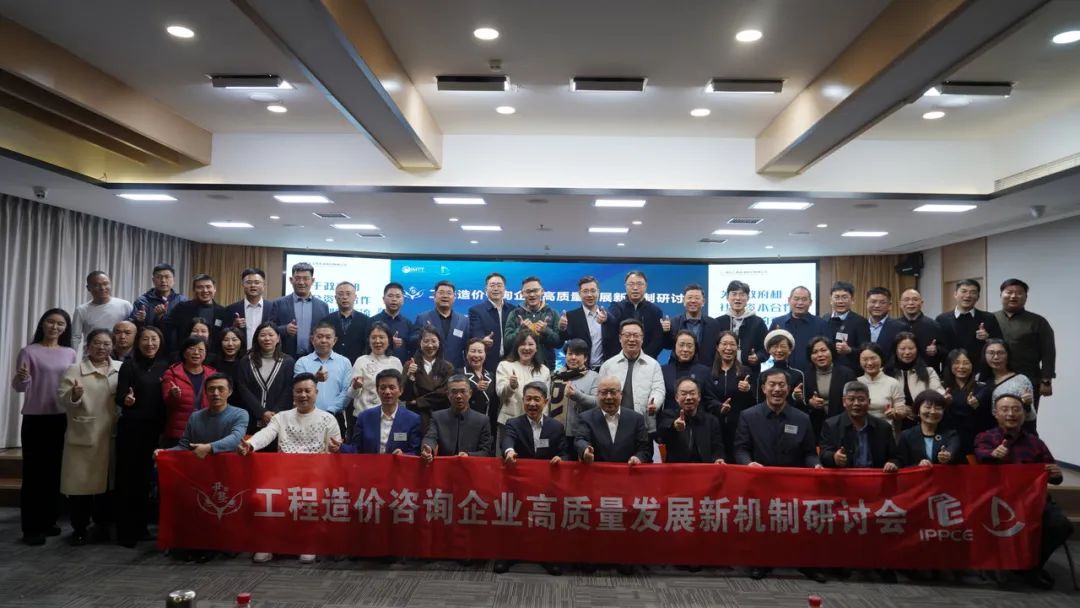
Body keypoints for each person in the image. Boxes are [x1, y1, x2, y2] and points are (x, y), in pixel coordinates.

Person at [239, 373, 343, 565]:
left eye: (307, 391)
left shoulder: (328, 419)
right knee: (261, 499)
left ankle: (307, 543)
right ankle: (267, 543)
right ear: (292, 394)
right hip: (283, 475)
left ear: (316, 392)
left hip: (316, 477)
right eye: (299, 391)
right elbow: (266, 434)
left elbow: (335, 450)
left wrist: (334, 450)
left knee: (311, 500)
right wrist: (251, 444)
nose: (303, 395)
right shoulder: (281, 417)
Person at [733, 367, 825, 583]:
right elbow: (740, 448)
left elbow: (809, 452)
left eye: (781, 385)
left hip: (793, 484)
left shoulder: (802, 418)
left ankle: (806, 563)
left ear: (789, 388)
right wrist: (748, 463)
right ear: (763, 388)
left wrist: (816, 465)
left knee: (800, 523)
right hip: (760, 481)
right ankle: (761, 562)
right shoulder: (749, 416)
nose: (777, 389)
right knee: (763, 523)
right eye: (772, 385)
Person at [974, 394, 1074, 589]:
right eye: (1005, 409)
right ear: (995, 413)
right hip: (998, 502)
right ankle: (1019, 568)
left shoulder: (1035, 442)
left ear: (1024, 414)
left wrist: (1055, 473)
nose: (1011, 414)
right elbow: (981, 456)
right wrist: (993, 454)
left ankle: (1027, 567)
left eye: (1016, 409)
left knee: (1061, 525)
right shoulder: (985, 437)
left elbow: (1054, 476)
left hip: (1032, 502)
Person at [11, 308, 77, 546]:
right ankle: (31, 528)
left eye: (60, 324)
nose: (55, 327)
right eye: (51, 322)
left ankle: (49, 520)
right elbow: (20, 387)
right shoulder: (29, 351)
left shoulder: (70, 353)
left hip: (61, 417)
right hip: (35, 418)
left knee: (54, 472)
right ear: (43, 324)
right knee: (34, 475)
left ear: (65, 328)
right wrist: (23, 378)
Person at [497, 380, 567, 576]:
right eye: (528, 399)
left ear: (546, 401)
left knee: (545, 520)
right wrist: (509, 451)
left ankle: (547, 557)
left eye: (537, 399)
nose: (532, 404)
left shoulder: (556, 426)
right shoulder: (513, 423)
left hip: (546, 486)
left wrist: (561, 459)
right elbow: (507, 440)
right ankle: (508, 555)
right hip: (518, 484)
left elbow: (565, 452)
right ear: (523, 400)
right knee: (515, 519)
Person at [57, 328, 120, 545]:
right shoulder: (74, 370)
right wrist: (73, 396)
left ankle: (102, 526)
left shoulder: (120, 368)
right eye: (97, 343)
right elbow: (62, 399)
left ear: (112, 346)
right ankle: (79, 528)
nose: (101, 347)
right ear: (88, 345)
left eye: (106, 344)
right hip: (84, 434)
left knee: (106, 486)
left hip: (110, 435)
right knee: (80, 486)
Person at [114, 325, 169, 548]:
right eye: (145, 339)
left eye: (154, 339)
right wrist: (126, 400)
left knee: (146, 481)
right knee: (128, 480)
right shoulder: (129, 365)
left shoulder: (166, 366)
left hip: (154, 430)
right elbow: (119, 396)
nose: (150, 344)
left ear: (160, 342)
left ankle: (141, 527)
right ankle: (125, 531)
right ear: (138, 342)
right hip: (131, 429)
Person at [994, 278, 1055, 421]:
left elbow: (1048, 352)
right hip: (995, 378)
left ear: (1025, 297)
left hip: (1028, 378)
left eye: (1019, 293)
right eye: (1009, 292)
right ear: (1001, 295)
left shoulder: (1038, 321)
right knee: (995, 419)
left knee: (1026, 419)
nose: (1013, 296)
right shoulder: (991, 319)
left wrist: (1046, 380)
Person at [598, 319, 665, 440]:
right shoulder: (608, 365)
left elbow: (658, 390)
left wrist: (655, 404)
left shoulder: (653, 365)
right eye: (627, 335)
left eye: (636, 335)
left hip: (644, 426)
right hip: (612, 425)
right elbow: (599, 394)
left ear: (642, 338)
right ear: (620, 338)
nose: (632, 339)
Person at [819, 381, 900, 472]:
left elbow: (895, 458)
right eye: (851, 399)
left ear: (869, 402)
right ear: (844, 402)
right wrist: (834, 457)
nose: (856, 403)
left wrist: (892, 463)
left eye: (861, 399)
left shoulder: (883, 427)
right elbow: (823, 455)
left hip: (874, 477)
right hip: (844, 478)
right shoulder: (831, 425)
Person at [235, 321, 296, 435]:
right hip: (251, 418)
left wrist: (274, 414)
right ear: (257, 338)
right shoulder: (246, 361)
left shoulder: (288, 362)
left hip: (279, 419)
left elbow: (288, 390)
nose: (267, 338)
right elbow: (243, 388)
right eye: (263, 335)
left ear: (278, 338)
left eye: (271, 335)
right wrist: (262, 412)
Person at [574, 375, 652, 464]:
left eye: (613, 392)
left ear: (621, 395)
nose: (609, 397)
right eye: (604, 392)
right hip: (598, 471)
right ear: (597, 395)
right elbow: (580, 439)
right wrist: (585, 449)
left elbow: (644, 448)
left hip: (628, 470)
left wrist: (638, 458)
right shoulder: (586, 418)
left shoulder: (636, 419)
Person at [341, 369, 421, 455]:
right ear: (377, 390)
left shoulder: (412, 419)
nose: (387, 392)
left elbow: (415, 451)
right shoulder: (364, 417)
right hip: (371, 463)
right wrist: (340, 447)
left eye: (392, 387)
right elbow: (356, 449)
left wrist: (403, 455)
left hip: (398, 463)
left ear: (400, 390)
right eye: (383, 388)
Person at [293, 322, 352, 435]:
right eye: (319, 337)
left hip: (335, 417)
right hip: (306, 417)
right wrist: (314, 378)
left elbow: (346, 391)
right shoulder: (302, 362)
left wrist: (331, 410)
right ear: (312, 339)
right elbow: (298, 389)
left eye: (328, 337)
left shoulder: (344, 362)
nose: (324, 340)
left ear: (334, 340)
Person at [707, 331, 756, 463]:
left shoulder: (745, 372)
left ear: (737, 348)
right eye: (724, 344)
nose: (728, 348)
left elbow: (755, 402)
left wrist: (748, 390)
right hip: (714, 428)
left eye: (732, 344)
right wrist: (719, 407)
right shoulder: (708, 372)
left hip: (739, 429)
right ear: (717, 347)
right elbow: (706, 398)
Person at [934, 279, 1002, 374]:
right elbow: (938, 347)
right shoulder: (941, 319)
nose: (968, 295)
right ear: (955, 294)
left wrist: (987, 338)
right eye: (964, 291)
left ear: (978, 297)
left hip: (980, 372)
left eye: (973, 292)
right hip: (951, 371)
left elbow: (1000, 344)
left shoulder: (988, 318)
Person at [161, 336, 217, 448]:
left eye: (201, 350)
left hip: (206, 431)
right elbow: (167, 401)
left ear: (206, 353)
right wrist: (173, 395)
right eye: (192, 348)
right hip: (178, 432)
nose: (196, 353)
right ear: (184, 352)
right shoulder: (172, 373)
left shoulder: (213, 374)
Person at [420, 375, 493, 460]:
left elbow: (486, 452)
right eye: (454, 392)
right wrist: (428, 448)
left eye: (463, 391)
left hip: (471, 466)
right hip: (444, 466)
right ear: (448, 394)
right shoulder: (437, 417)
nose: (458, 396)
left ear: (470, 393)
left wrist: (468, 456)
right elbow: (430, 437)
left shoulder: (482, 420)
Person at [496, 332, 553, 439]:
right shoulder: (505, 365)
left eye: (530, 344)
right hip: (509, 422)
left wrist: (544, 422)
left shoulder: (544, 370)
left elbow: (546, 400)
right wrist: (510, 386)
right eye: (523, 344)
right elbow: (500, 393)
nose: (526, 348)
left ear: (536, 348)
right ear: (517, 347)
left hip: (536, 423)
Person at [549, 338, 598, 459]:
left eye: (578, 354)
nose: (573, 357)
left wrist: (577, 395)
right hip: (556, 433)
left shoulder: (594, 377)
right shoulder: (555, 376)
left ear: (585, 358)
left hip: (581, 434)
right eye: (570, 354)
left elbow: (597, 402)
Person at [657, 377, 725, 464]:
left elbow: (717, 448)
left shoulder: (711, 421)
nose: (688, 397)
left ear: (699, 397)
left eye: (692, 393)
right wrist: (674, 426)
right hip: (678, 469)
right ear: (677, 398)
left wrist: (718, 458)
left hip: (704, 468)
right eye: (684, 394)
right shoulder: (667, 415)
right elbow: (661, 435)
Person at [801, 336, 857, 440]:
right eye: (815, 352)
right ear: (810, 356)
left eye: (823, 350)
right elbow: (802, 403)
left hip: (843, 426)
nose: (820, 355)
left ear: (832, 351)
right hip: (816, 427)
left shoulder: (847, 373)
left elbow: (854, 401)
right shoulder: (805, 375)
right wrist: (810, 403)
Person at [270, 262, 329, 358]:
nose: (301, 282)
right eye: (297, 278)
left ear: (312, 280)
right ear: (291, 280)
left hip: (314, 358)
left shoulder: (322, 306)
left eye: (306, 278)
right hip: (285, 357)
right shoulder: (278, 304)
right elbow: (269, 329)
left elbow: (327, 332)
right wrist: (284, 329)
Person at [939, 348, 992, 456]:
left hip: (974, 440)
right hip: (948, 441)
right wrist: (944, 405)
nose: (961, 367)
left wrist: (977, 407)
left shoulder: (982, 388)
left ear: (972, 365)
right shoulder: (941, 387)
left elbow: (989, 419)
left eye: (966, 363)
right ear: (950, 365)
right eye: (957, 363)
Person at [348, 322, 403, 425]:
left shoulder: (396, 362)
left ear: (389, 340)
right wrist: (355, 387)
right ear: (368, 341)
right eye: (373, 338)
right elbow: (352, 394)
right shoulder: (361, 361)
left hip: (390, 418)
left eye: (381, 337)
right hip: (364, 417)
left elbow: (399, 393)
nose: (377, 341)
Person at [162, 274, 229, 356]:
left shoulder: (222, 311)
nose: (205, 290)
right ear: (194, 290)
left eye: (208, 287)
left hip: (212, 357)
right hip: (185, 356)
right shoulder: (182, 308)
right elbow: (168, 330)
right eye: (200, 287)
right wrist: (160, 316)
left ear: (214, 289)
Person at [504, 276, 562, 368]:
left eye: (535, 290)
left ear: (542, 291)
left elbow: (559, 343)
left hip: (546, 367)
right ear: (522, 294)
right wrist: (520, 330)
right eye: (528, 291)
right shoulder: (515, 314)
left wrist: (546, 331)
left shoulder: (552, 313)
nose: (532, 294)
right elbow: (507, 343)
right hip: (519, 367)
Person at [403, 326, 454, 430]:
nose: (430, 345)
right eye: (426, 341)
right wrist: (410, 376)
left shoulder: (448, 367)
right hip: (415, 416)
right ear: (420, 343)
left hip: (440, 416)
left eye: (434, 341)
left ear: (439, 343)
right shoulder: (410, 365)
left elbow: (445, 393)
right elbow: (404, 396)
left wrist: (419, 401)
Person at [604, 270, 664, 358]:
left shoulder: (655, 311)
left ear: (646, 286)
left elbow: (657, 340)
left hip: (646, 361)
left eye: (639, 284)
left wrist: (643, 358)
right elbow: (611, 323)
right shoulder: (616, 307)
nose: (635, 288)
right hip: (620, 360)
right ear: (625, 286)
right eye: (631, 284)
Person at [558, 276, 615, 369]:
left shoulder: (608, 317)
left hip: (604, 369)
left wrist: (607, 320)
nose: (589, 295)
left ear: (598, 292)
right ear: (579, 294)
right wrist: (562, 328)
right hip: (579, 369)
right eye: (585, 291)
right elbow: (561, 341)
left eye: (593, 291)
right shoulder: (571, 316)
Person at [468, 272, 518, 376]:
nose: (496, 289)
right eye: (492, 285)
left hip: (511, 362)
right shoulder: (476, 311)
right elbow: (476, 332)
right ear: (485, 289)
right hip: (487, 362)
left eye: (499, 285)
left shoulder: (514, 310)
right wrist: (482, 339)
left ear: (505, 289)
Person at [411, 280, 470, 368]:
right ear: (434, 296)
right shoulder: (423, 318)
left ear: (454, 297)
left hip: (456, 369)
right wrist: (425, 336)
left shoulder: (464, 321)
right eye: (441, 293)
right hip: (430, 369)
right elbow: (413, 341)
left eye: (449, 293)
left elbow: (468, 346)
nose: (445, 296)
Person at [72, 271, 133, 354]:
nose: (102, 288)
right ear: (88, 288)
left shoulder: (125, 305)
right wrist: (72, 358)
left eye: (105, 284)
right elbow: (75, 337)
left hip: (120, 355)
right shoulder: (81, 310)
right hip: (93, 356)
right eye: (97, 285)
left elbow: (132, 330)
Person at [980, 339, 1036, 431]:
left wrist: (1027, 405)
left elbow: (1031, 417)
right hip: (985, 433)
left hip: (1014, 433)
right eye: (991, 353)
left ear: (1008, 355)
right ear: (984, 355)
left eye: (1000, 353)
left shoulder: (1021, 380)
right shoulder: (978, 379)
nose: (996, 357)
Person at [856, 342, 908, 438]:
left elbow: (902, 411)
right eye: (865, 359)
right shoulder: (856, 382)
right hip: (860, 434)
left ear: (881, 358)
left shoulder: (892, 383)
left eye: (873, 358)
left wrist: (895, 412)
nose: (869, 363)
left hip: (886, 434)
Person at [897, 390, 960, 468]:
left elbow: (953, 452)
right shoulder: (906, 435)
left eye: (938, 408)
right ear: (918, 411)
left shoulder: (951, 435)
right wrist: (918, 466)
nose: (933, 412)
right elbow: (901, 463)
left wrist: (947, 456)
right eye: (928, 407)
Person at [662, 283, 720, 368]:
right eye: (689, 297)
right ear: (683, 301)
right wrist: (666, 332)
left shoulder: (713, 324)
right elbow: (667, 346)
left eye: (697, 298)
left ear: (703, 302)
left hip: (705, 369)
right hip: (678, 369)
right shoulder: (674, 322)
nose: (693, 301)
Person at [885, 331, 945, 410]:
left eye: (911, 348)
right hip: (893, 415)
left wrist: (944, 397)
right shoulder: (885, 372)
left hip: (921, 415)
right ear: (895, 350)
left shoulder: (929, 372)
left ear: (917, 350)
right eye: (902, 349)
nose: (907, 352)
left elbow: (937, 392)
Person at [715, 280, 767, 368]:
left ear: (748, 298)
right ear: (727, 297)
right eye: (734, 294)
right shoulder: (718, 322)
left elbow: (765, 348)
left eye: (742, 295)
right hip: (722, 371)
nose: (738, 298)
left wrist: (758, 357)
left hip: (750, 371)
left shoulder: (758, 322)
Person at [660, 330, 712, 415]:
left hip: (698, 420)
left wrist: (720, 407)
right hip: (669, 420)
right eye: (681, 345)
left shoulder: (704, 371)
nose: (685, 349)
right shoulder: (664, 370)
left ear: (695, 348)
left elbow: (710, 400)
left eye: (689, 346)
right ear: (675, 347)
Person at [895, 289, 947, 371]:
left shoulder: (934, 325)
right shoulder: (894, 326)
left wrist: (936, 350)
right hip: (899, 372)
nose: (911, 303)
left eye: (915, 299)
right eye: (906, 300)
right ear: (900, 304)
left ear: (921, 303)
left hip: (927, 372)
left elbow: (946, 351)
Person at [322, 281, 370, 364]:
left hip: (357, 365)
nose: (344, 297)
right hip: (331, 365)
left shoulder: (366, 320)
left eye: (348, 294)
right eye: (340, 294)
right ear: (335, 297)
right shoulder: (326, 320)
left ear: (355, 297)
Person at [756, 329, 805, 409]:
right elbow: (759, 403)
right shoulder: (763, 375)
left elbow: (803, 406)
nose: (779, 350)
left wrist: (797, 397)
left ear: (790, 350)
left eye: (783, 346)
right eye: (775, 347)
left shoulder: (798, 374)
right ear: (769, 350)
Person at [825, 281, 869, 370]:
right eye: (837, 297)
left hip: (850, 370)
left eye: (844, 297)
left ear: (852, 300)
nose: (840, 301)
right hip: (827, 369)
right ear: (831, 300)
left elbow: (866, 350)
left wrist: (850, 350)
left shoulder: (861, 322)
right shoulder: (824, 318)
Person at [130, 263, 187, 328]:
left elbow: (186, 325)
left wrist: (162, 317)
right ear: (153, 280)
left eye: (167, 277)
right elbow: (131, 327)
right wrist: (139, 321)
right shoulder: (142, 301)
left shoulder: (181, 300)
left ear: (174, 280)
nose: (163, 280)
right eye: (159, 277)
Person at [224, 267, 267, 348]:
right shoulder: (231, 309)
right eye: (249, 282)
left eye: (257, 282)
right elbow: (223, 334)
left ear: (263, 285)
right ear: (243, 285)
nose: (253, 285)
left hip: (264, 353)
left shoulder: (273, 308)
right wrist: (233, 326)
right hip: (241, 353)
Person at [371, 282, 413, 362]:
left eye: (398, 296)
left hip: (401, 367)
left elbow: (410, 348)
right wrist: (388, 342)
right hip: (376, 366)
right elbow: (366, 346)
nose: (394, 299)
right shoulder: (372, 321)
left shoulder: (408, 323)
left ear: (403, 300)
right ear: (383, 299)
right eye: (390, 296)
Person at [462, 338, 497, 430]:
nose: (476, 355)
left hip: (487, 425)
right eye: (473, 351)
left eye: (480, 352)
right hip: (466, 424)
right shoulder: (459, 373)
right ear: (466, 354)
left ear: (485, 355)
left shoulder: (491, 376)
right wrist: (475, 388)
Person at [864, 287, 904, 356]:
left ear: (889, 305)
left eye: (882, 302)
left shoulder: (900, 327)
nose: (877, 306)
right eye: (873, 302)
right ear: (867, 303)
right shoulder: (860, 325)